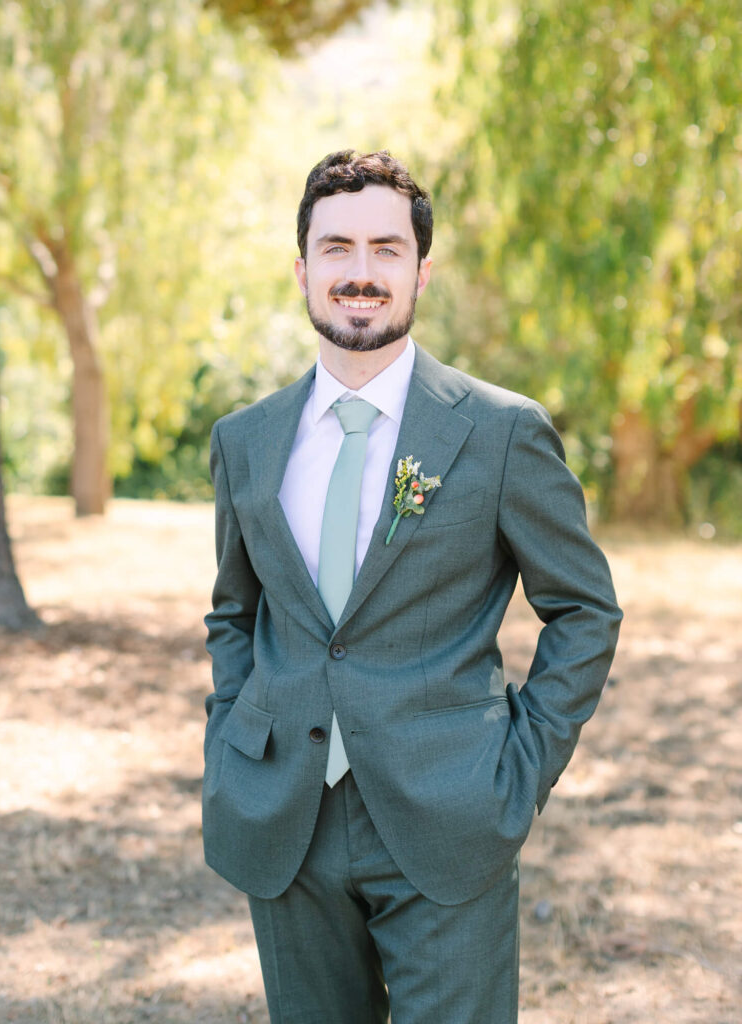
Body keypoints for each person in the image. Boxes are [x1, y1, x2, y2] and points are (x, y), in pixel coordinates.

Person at [203, 149, 622, 1024]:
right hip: (285, 819)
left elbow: (584, 610)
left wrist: (522, 766)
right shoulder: (245, 440)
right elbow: (234, 612)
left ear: (421, 270)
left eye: (387, 250)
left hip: (452, 815)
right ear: (304, 269)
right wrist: (232, 745)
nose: (361, 273)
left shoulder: (502, 432)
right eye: (338, 249)